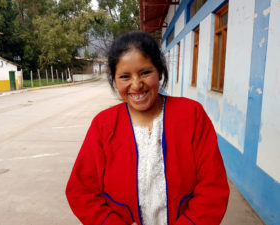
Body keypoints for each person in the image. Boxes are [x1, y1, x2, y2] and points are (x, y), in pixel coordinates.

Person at [66, 31, 229, 225]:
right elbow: (81, 191)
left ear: (159, 72)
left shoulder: (191, 115)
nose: (136, 85)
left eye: (145, 72)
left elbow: (213, 188)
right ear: (114, 80)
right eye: (125, 76)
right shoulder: (103, 125)